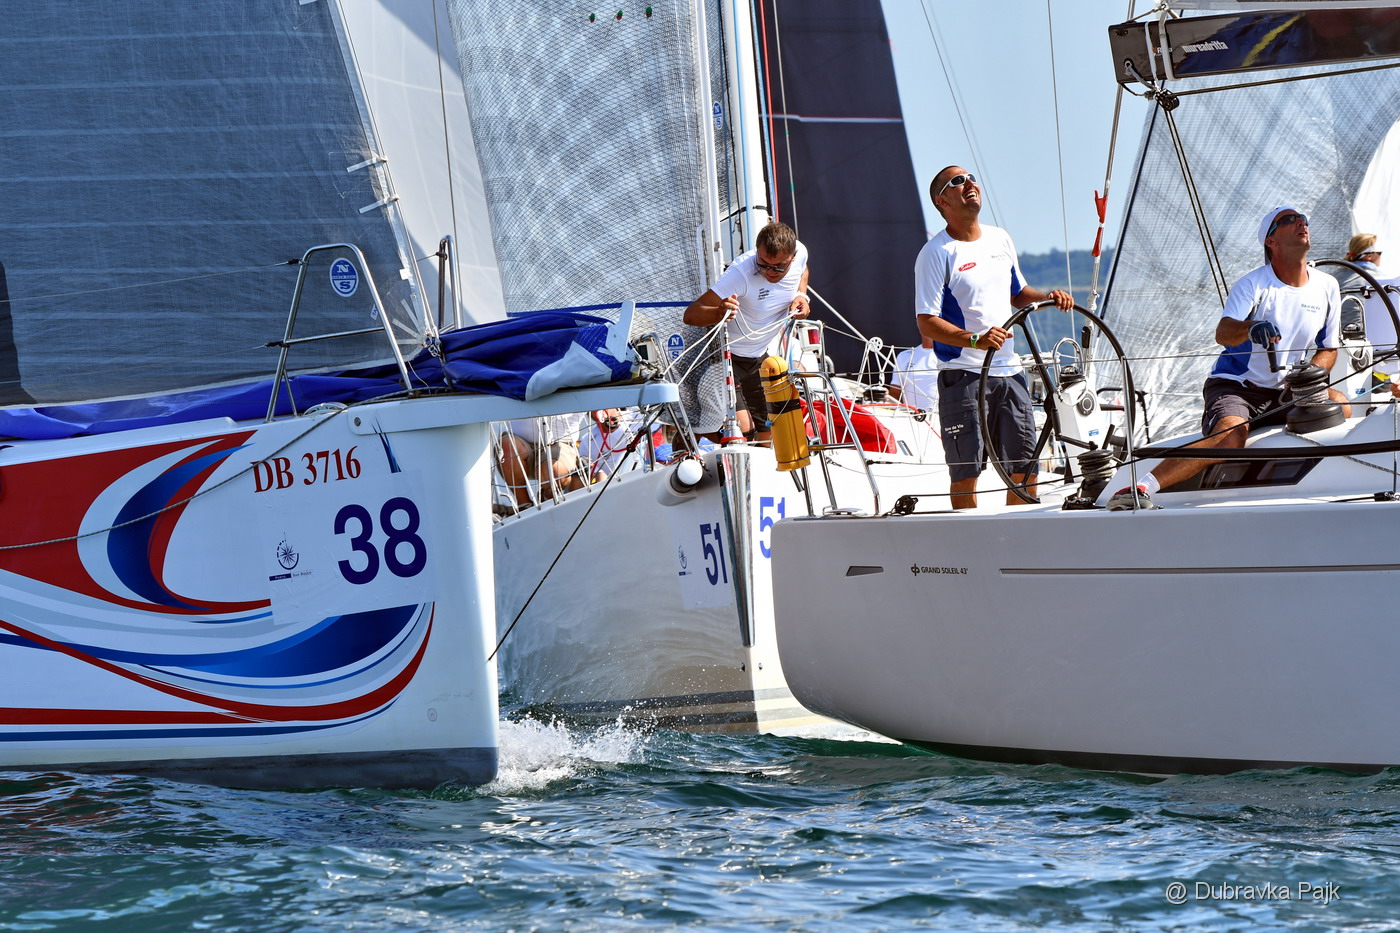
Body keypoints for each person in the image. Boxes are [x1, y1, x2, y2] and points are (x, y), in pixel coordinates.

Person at [1108, 205, 1350, 510]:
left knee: (1343, 406)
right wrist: (1251, 328)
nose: (1301, 222)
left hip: (1288, 390)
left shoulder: (1327, 286)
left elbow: (1329, 348)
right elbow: (1223, 333)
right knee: (1232, 437)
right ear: (1271, 241)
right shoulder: (1252, 284)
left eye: (1303, 219)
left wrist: (1308, 377)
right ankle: (1140, 488)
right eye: (1289, 220)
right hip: (1238, 387)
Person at [914, 165, 1073, 509]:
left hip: (1010, 372)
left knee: (1025, 468)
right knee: (966, 472)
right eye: (957, 181)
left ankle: (1021, 537)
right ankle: (967, 540)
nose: (969, 183)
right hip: (963, 375)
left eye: (971, 177)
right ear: (942, 201)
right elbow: (926, 322)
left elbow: (1018, 293)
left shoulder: (1000, 239)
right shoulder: (935, 253)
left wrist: (1047, 296)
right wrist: (975, 340)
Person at [684, 221, 810, 442]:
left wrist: (802, 296)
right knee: (742, 433)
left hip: (758, 356)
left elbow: (803, 271)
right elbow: (691, 314)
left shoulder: (801, 253)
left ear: (793, 256)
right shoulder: (740, 273)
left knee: (768, 436)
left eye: (779, 267)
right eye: (763, 264)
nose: (770, 272)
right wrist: (719, 312)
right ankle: (689, 434)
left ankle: (696, 432)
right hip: (724, 357)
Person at [498, 412, 585, 507]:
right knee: (506, 446)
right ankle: (524, 505)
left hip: (560, 442)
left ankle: (547, 499)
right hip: (520, 443)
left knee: (555, 473)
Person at [888, 335, 940, 414]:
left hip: (939, 416)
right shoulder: (904, 356)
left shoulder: (950, 356)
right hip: (909, 417)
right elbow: (895, 393)